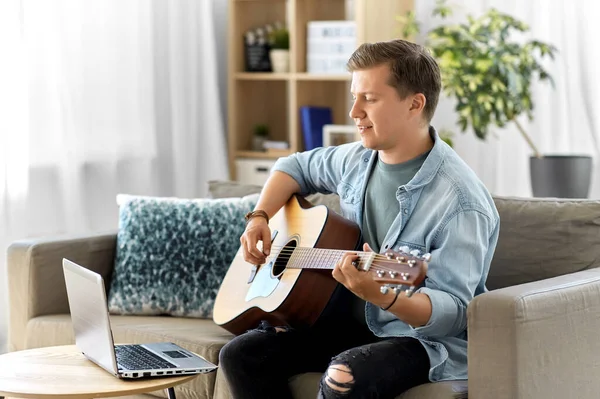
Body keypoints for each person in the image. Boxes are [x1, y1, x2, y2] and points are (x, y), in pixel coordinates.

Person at [219, 39, 499, 399]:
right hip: (345, 322)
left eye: (369, 98)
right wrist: (258, 218)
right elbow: (292, 166)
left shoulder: (461, 202)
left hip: (419, 339)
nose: (353, 112)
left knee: (344, 376)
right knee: (242, 354)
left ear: (415, 103)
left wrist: (385, 297)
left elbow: (454, 312)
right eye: (355, 96)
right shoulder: (356, 159)